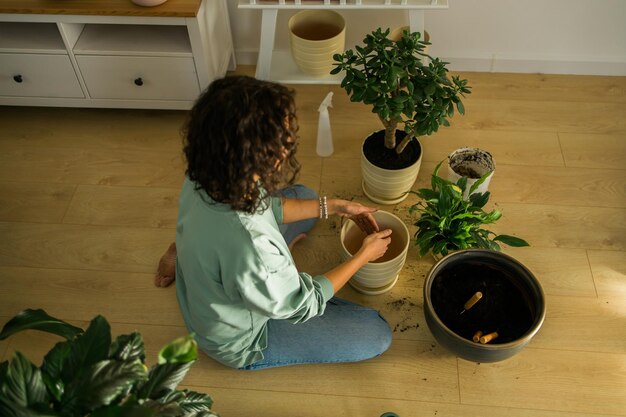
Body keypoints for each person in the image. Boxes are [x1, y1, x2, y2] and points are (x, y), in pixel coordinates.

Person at [155, 75, 393, 370]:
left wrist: (333, 206)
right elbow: (302, 304)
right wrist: (363, 256)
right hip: (239, 338)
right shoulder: (251, 246)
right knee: (376, 332)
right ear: (255, 156)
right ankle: (262, 282)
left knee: (306, 196)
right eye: (282, 135)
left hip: (205, 268)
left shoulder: (206, 169)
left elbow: (269, 207)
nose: (289, 139)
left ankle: (185, 252)